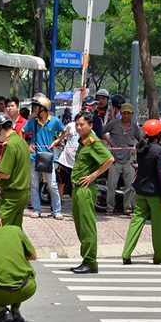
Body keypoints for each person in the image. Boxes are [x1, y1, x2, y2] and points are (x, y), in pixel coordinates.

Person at [122, 120, 161, 265]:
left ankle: (126, 253)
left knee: (136, 222)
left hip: (140, 191)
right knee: (158, 226)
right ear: (159, 134)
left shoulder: (141, 147)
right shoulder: (159, 151)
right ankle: (159, 256)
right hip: (155, 194)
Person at [69, 111, 115, 274]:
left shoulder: (93, 142)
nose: (79, 127)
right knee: (80, 226)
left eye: (82, 124)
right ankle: (86, 259)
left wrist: (93, 175)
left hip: (85, 189)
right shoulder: (83, 142)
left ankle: (90, 261)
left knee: (87, 226)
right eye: (77, 124)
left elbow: (109, 159)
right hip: (77, 188)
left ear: (90, 125)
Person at [22, 95, 66, 219]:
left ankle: (57, 210)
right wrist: (27, 145)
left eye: (36, 106)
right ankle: (37, 209)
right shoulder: (32, 122)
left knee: (52, 185)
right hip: (34, 157)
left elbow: (65, 131)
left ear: (43, 108)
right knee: (34, 185)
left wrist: (57, 141)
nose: (34, 109)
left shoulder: (54, 121)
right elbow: (22, 132)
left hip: (48, 157)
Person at [102, 102, 142, 216]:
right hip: (114, 159)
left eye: (128, 113)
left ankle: (128, 208)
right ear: (121, 113)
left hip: (129, 159)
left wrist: (137, 149)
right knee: (111, 185)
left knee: (129, 186)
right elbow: (101, 131)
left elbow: (141, 140)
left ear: (132, 114)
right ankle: (110, 208)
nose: (126, 116)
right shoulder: (114, 124)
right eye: (124, 113)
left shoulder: (134, 127)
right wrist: (110, 143)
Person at [54, 112, 79, 199]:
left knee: (76, 186)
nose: (79, 126)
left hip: (77, 164)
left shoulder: (91, 132)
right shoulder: (70, 126)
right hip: (65, 162)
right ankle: (57, 208)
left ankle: (75, 209)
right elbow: (64, 134)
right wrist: (58, 141)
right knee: (60, 184)